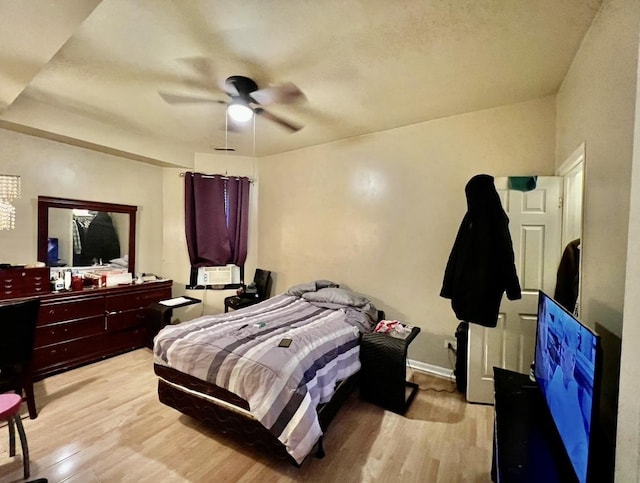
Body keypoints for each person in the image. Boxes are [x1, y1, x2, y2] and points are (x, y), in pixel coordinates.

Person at [546, 319, 589, 483]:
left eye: (565, 349)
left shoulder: (577, 393)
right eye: (562, 349)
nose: (562, 353)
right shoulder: (559, 384)